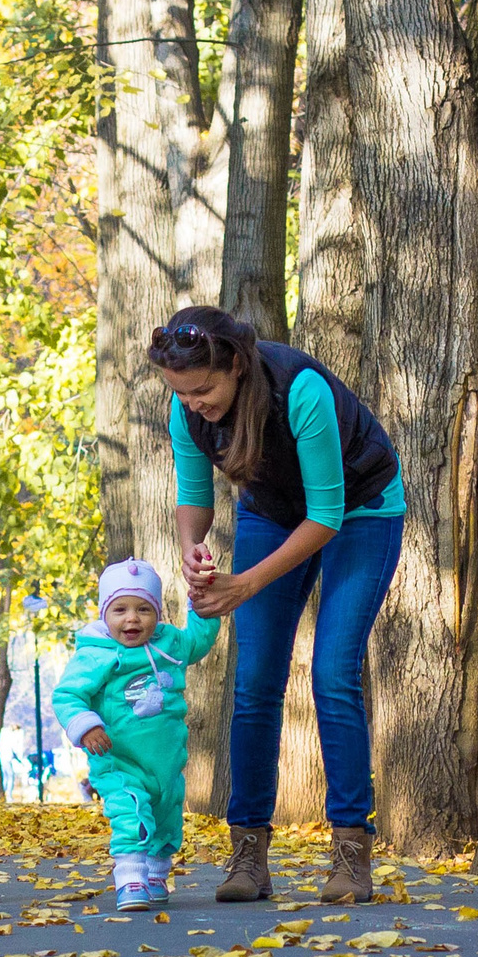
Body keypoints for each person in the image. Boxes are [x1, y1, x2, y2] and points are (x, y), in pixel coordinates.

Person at [151, 305, 404, 904]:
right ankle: (248, 855)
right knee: (255, 681)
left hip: (359, 511)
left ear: (236, 367)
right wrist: (191, 551)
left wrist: (245, 584)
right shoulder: (188, 409)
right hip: (271, 512)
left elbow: (326, 515)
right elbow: (194, 497)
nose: (193, 404)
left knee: (333, 673)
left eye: (204, 391)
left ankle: (350, 854)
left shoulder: (300, 391)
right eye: (182, 393)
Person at [52, 557, 221, 911]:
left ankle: (156, 875)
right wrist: (87, 725)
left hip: (165, 762)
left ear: (157, 612)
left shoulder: (169, 644)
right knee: (131, 815)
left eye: (144, 609)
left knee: (166, 818)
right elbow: (67, 695)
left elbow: (198, 640)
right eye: (120, 610)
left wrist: (201, 606)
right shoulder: (96, 654)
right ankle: (130, 878)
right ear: (104, 614)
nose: (132, 619)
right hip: (118, 760)